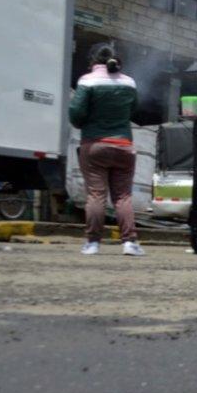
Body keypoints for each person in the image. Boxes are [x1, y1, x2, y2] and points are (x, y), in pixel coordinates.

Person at [69, 43, 143, 256]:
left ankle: (92, 243)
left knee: (96, 195)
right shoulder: (129, 83)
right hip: (124, 147)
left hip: (95, 146)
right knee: (123, 197)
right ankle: (130, 243)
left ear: (93, 61)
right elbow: (133, 110)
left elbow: (76, 114)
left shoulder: (87, 81)